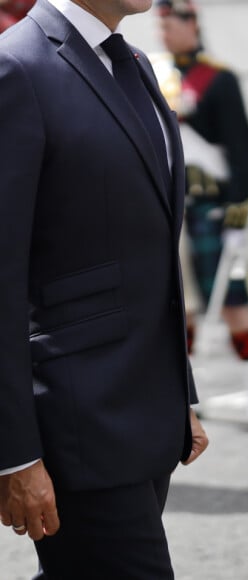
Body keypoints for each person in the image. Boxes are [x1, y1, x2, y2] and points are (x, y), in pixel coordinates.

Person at [0, 0, 209, 577]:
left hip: (144, 417)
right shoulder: (16, 68)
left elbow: (148, 256)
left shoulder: (134, 61)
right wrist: (13, 454)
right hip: (74, 426)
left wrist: (178, 397)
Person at [155, 0, 248, 431]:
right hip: (172, 208)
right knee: (179, 306)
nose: (164, 32)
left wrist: (238, 213)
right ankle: (188, 396)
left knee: (233, 302)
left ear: (192, 24)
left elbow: (243, 152)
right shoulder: (153, 76)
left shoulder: (220, 80)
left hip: (212, 209)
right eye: (161, 25)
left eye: (170, 23)